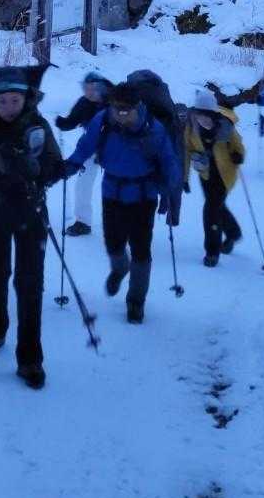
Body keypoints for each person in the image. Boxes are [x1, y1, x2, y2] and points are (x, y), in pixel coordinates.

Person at [0, 69, 63, 390]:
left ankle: (30, 359)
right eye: (3, 101)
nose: (9, 106)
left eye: (15, 100)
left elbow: (55, 167)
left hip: (32, 215)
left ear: (25, 99)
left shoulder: (37, 125)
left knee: (30, 283)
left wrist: (35, 169)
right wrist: (0, 168)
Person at [65, 82, 182, 324]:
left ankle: (136, 301)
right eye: (116, 108)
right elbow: (86, 145)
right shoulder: (103, 121)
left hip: (144, 195)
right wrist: (70, 165)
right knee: (113, 243)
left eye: (126, 109)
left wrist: (171, 186)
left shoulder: (154, 129)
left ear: (137, 106)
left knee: (141, 249)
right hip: (112, 191)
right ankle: (119, 268)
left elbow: (169, 160)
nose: (120, 114)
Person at [183, 90, 245, 267]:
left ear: (214, 114)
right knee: (216, 206)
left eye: (207, 115)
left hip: (225, 174)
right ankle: (233, 233)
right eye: (199, 115)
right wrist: (185, 178)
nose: (203, 119)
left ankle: (212, 252)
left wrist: (238, 155)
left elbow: (238, 145)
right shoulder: (191, 127)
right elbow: (186, 151)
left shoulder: (225, 126)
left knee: (210, 210)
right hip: (205, 174)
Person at [56, 71, 112, 236]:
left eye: (92, 88)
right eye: (85, 88)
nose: (88, 92)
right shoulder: (84, 102)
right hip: (90, 148)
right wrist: (63, 123)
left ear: (101, 88)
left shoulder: (114, 101)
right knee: (82, 185)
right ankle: (83, 222)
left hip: (115, 149)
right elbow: (72, 121)